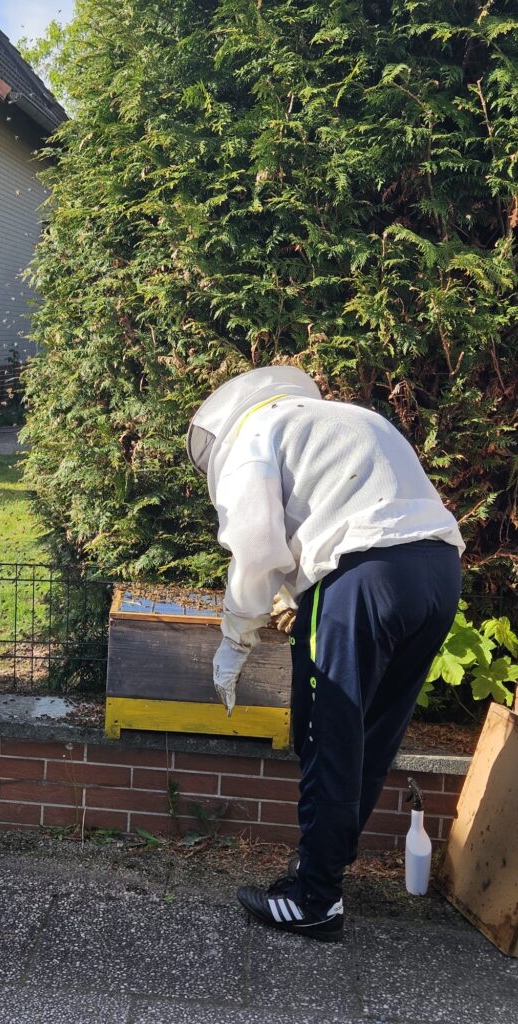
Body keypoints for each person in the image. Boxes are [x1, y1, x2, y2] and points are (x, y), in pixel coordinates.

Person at [186, 365, 463, 942]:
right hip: (439, 573)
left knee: (328, 736)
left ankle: (314, 900)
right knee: (370, 736)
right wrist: (298, 596)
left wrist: (234, 641)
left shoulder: (254, 438)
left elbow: (255, 547)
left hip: (363, 579)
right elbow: (347, 508)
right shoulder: (346, 418)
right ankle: (325, 869)